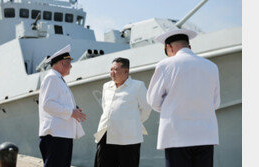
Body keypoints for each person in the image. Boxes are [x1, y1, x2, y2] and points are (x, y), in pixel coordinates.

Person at [147, 28, 221, 167]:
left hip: (176, 135)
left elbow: (153, 101)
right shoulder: (211, 66)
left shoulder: (165, 65)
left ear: (169, 47)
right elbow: (215, 103)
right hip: (206, 134)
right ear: (189, 46)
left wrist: (172, 107)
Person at [94, 57, 152, 167]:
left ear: (126, 71)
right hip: (105, 134)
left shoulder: (137, 86)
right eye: (111, 69)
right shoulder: (106, 86)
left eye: (115, 69)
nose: (112, 73)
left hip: (128, 137)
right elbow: (105, 107)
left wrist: (132, 122)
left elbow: (147, 108)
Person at [38, 44, 87, 167]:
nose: (71, 66)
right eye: (69, 62)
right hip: (55, 136)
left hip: (61, 134)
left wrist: (74, 110)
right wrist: (71, 112)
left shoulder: (57, 79)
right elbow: (47, 104)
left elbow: (56, 103)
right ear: (61, 64)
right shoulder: (52, 78)